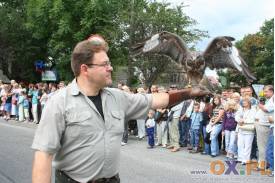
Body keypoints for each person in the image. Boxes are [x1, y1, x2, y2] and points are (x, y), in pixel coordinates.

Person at [31, 34, 209, 183]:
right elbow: (43, 156)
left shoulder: (117, 97)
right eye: (105, 64)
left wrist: (190, 92)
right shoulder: (59, 102)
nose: (111, 68)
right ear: (85, 69)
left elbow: (157, 100)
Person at [255, 85, 274, 170]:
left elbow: (267, 109)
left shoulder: (273, 99)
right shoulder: (269, 99)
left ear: (271, 91)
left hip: (264, 125)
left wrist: (260, 105)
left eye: (266, 91)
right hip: (264, 125)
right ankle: (264, 164)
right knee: (264, 147)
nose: (265, 93)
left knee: (262, 146)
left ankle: (262, 165)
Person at [235, 96, 256, 165]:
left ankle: (246, 159)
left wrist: (243, 121)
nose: (244, 103)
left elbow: (254, 119)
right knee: (240, 144)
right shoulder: (241, 109)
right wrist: (239, 120)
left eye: (245, 101)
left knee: (248, 145)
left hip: (249, 130)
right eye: (243, 101)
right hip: (241, 128)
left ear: (249, 103)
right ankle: (240, 158)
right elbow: (236, 116)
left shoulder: (253, 110)